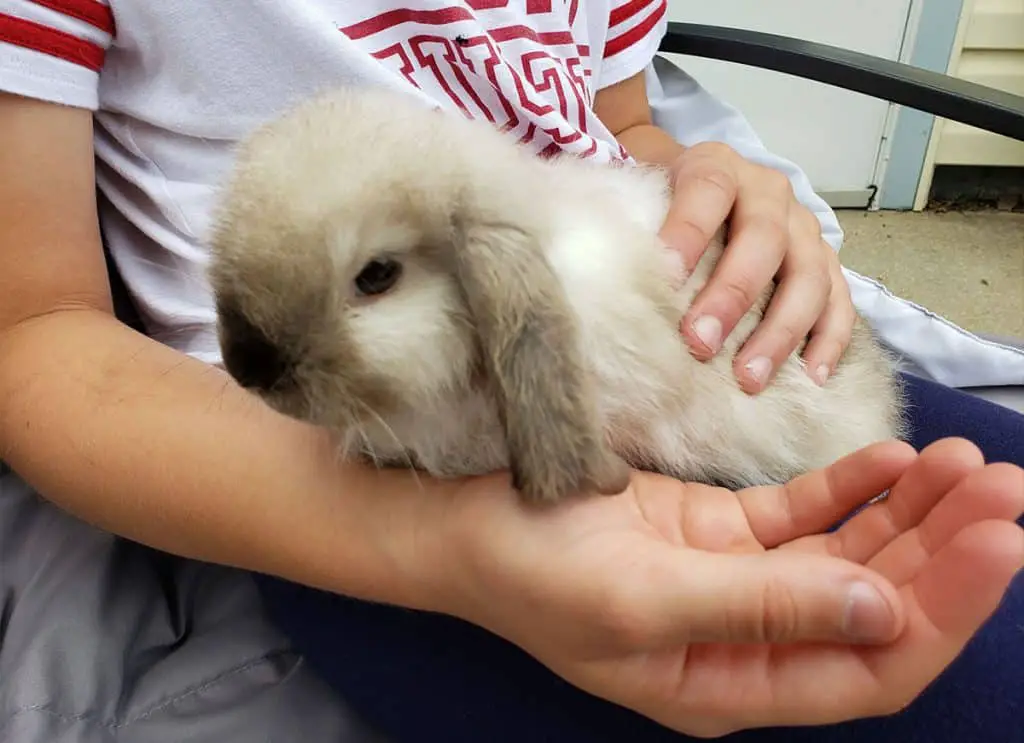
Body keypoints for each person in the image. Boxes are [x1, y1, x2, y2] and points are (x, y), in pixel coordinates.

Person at [0, 2, 1021, 741]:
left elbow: (618, 126)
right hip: (335, 486)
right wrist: (432, 536)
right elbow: (31, 323)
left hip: (682, 358)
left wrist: (704, 175)